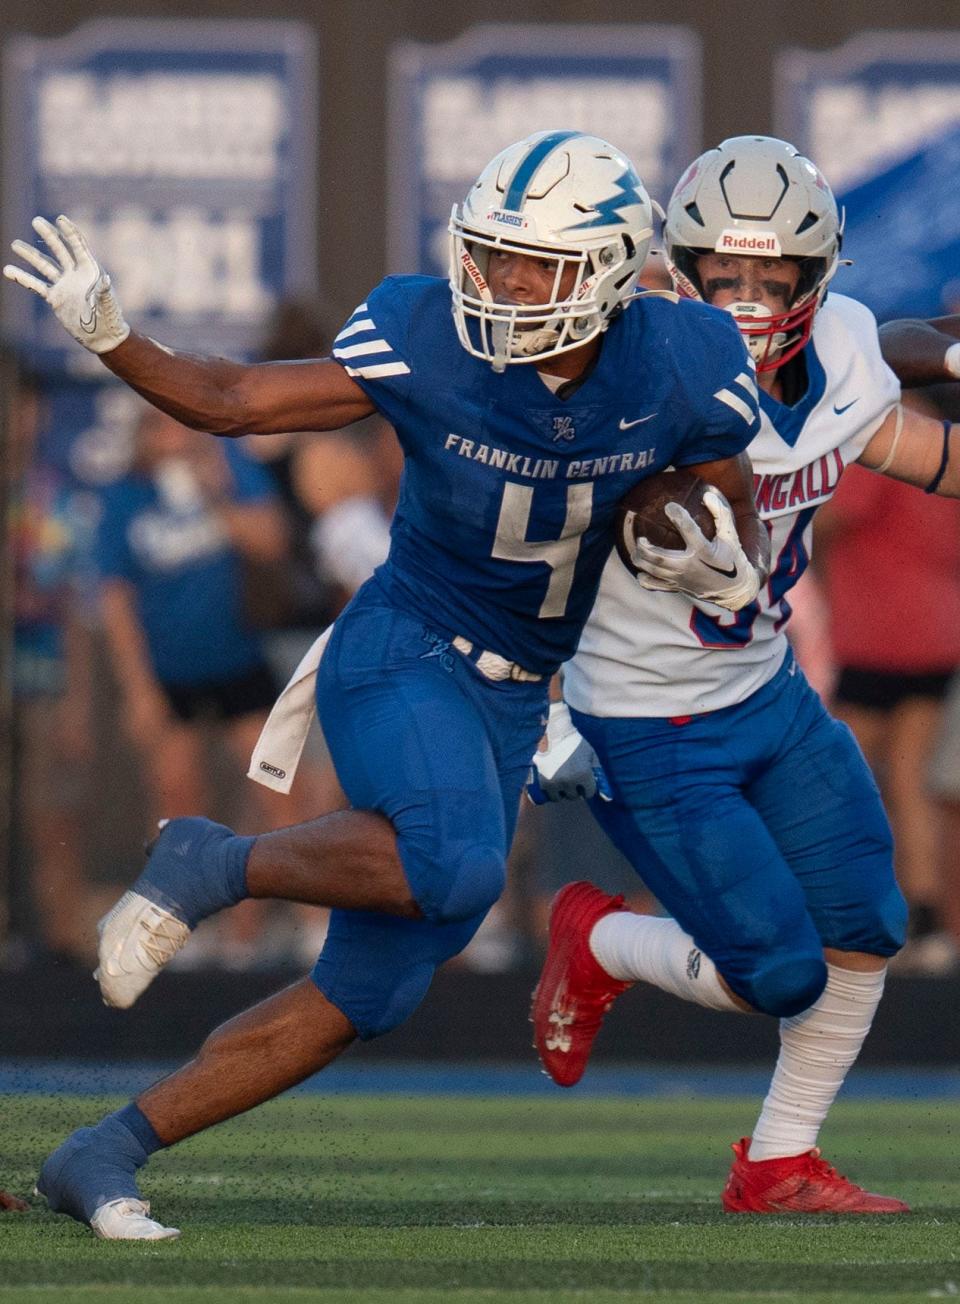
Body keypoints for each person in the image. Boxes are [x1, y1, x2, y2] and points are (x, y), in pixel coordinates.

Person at [4, 129, 765, 1240]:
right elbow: (233, 398)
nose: (502, 284)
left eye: (534, 265)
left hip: (515, 693)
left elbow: (722, 490)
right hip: (404, 641)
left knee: (369, 995)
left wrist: (720, 557)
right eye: (493, 254)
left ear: (608, 270)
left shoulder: (684, 357)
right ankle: (211, 858)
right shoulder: (431, 333)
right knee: (453, 863)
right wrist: (116, 338)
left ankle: (101, 1147)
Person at [530, 135, 960, 1215]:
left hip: (765, 691)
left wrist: (943, 361)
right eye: (725, 273)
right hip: (647, 713)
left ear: (817, 282)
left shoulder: (852, 348)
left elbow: (911, 441)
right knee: (777, 969)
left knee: (865, 917)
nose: (748, 297)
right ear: (678, 267)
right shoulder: (618, 374)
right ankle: (599, 936)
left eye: (773, 277)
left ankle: (776, 1160)